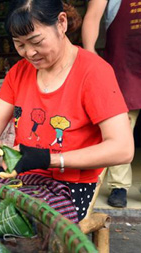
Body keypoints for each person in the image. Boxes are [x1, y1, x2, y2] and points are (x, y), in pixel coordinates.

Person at [0, 0, 133, 221]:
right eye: (19, 44)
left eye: (36, 41)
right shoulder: (18, 73)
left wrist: (48, 159)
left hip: (70, 188)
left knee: (17, 224)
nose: (29, 53)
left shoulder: (94, 72)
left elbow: (123, 148)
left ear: (61, 23)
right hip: (21, 177)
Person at [82, 0, 141, 208]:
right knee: (121, 125)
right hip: (124, 65)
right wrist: (89, 51)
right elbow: (92, 16)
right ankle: (119, 186)